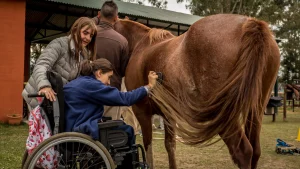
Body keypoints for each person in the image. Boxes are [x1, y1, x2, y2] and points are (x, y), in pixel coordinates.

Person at [63, 58, 158, 146]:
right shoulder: (92, 85)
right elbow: (125, 99)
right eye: (109, 77)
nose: (109, 82)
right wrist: (149, 86)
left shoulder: (79, 82)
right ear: (99, 73)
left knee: (120, 125)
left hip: (72, 127)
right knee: (128, 131)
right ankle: (127, 164)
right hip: (82, 130)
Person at [22, 17, 98, 110]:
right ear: (75, 30)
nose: (88, 38)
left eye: (91, 35)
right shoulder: (59, 44)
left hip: (55, 99)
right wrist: (44, 85)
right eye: (85, 33)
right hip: (39, 96)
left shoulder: (83, 54)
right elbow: (41, 65)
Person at [93, 0, 130, 120]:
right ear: (116, 18)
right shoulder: (122, 41)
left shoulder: (88, 35)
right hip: (111, 93)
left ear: (99, 14)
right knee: (108, 132)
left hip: (87, 92)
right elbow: (124, 70)